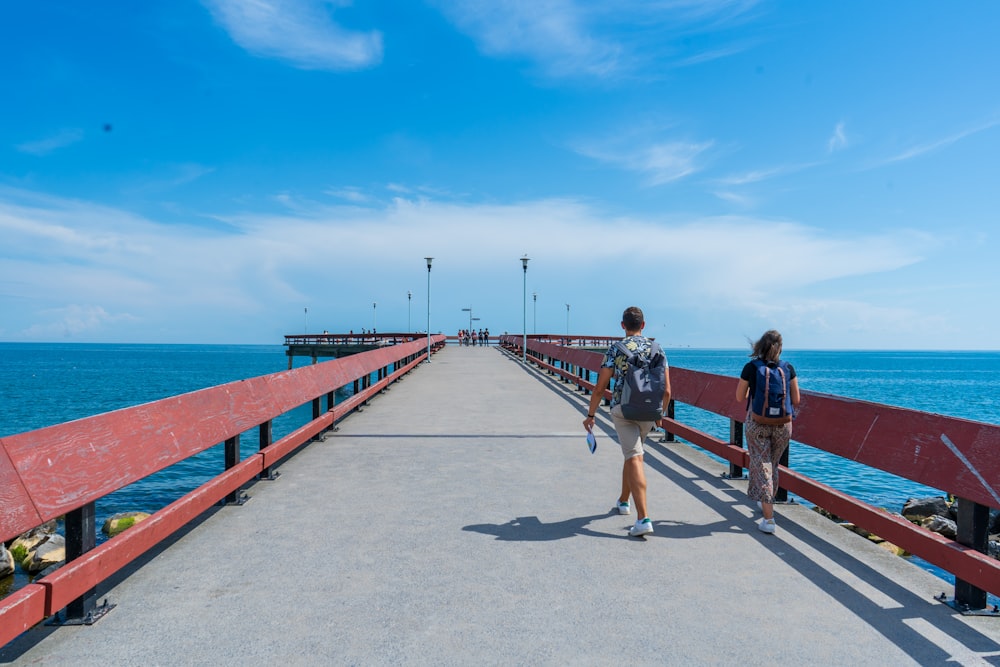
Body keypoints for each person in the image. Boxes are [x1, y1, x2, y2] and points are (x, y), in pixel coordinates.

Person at [583, 306, 671, 537]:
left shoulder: (616, 349)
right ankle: (624, 501)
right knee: (632, 453)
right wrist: (660, 415)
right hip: (650, 410)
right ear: (643, 325)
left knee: (634, 456)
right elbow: (668, 390)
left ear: (623, 325)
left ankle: (643, 518)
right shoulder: (657, 348)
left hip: (624, 409)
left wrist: (590, 415)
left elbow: (601, 387)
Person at [734, 329, 801, 535]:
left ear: (759, 346)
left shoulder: (751, 367)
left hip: (757, 424)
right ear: (780, 347)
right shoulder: (788, 368)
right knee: (771, 465)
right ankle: (766, 502)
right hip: (783, 425)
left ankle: (769, 518)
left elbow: (739, 397)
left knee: (762, 466)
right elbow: (796, 400)